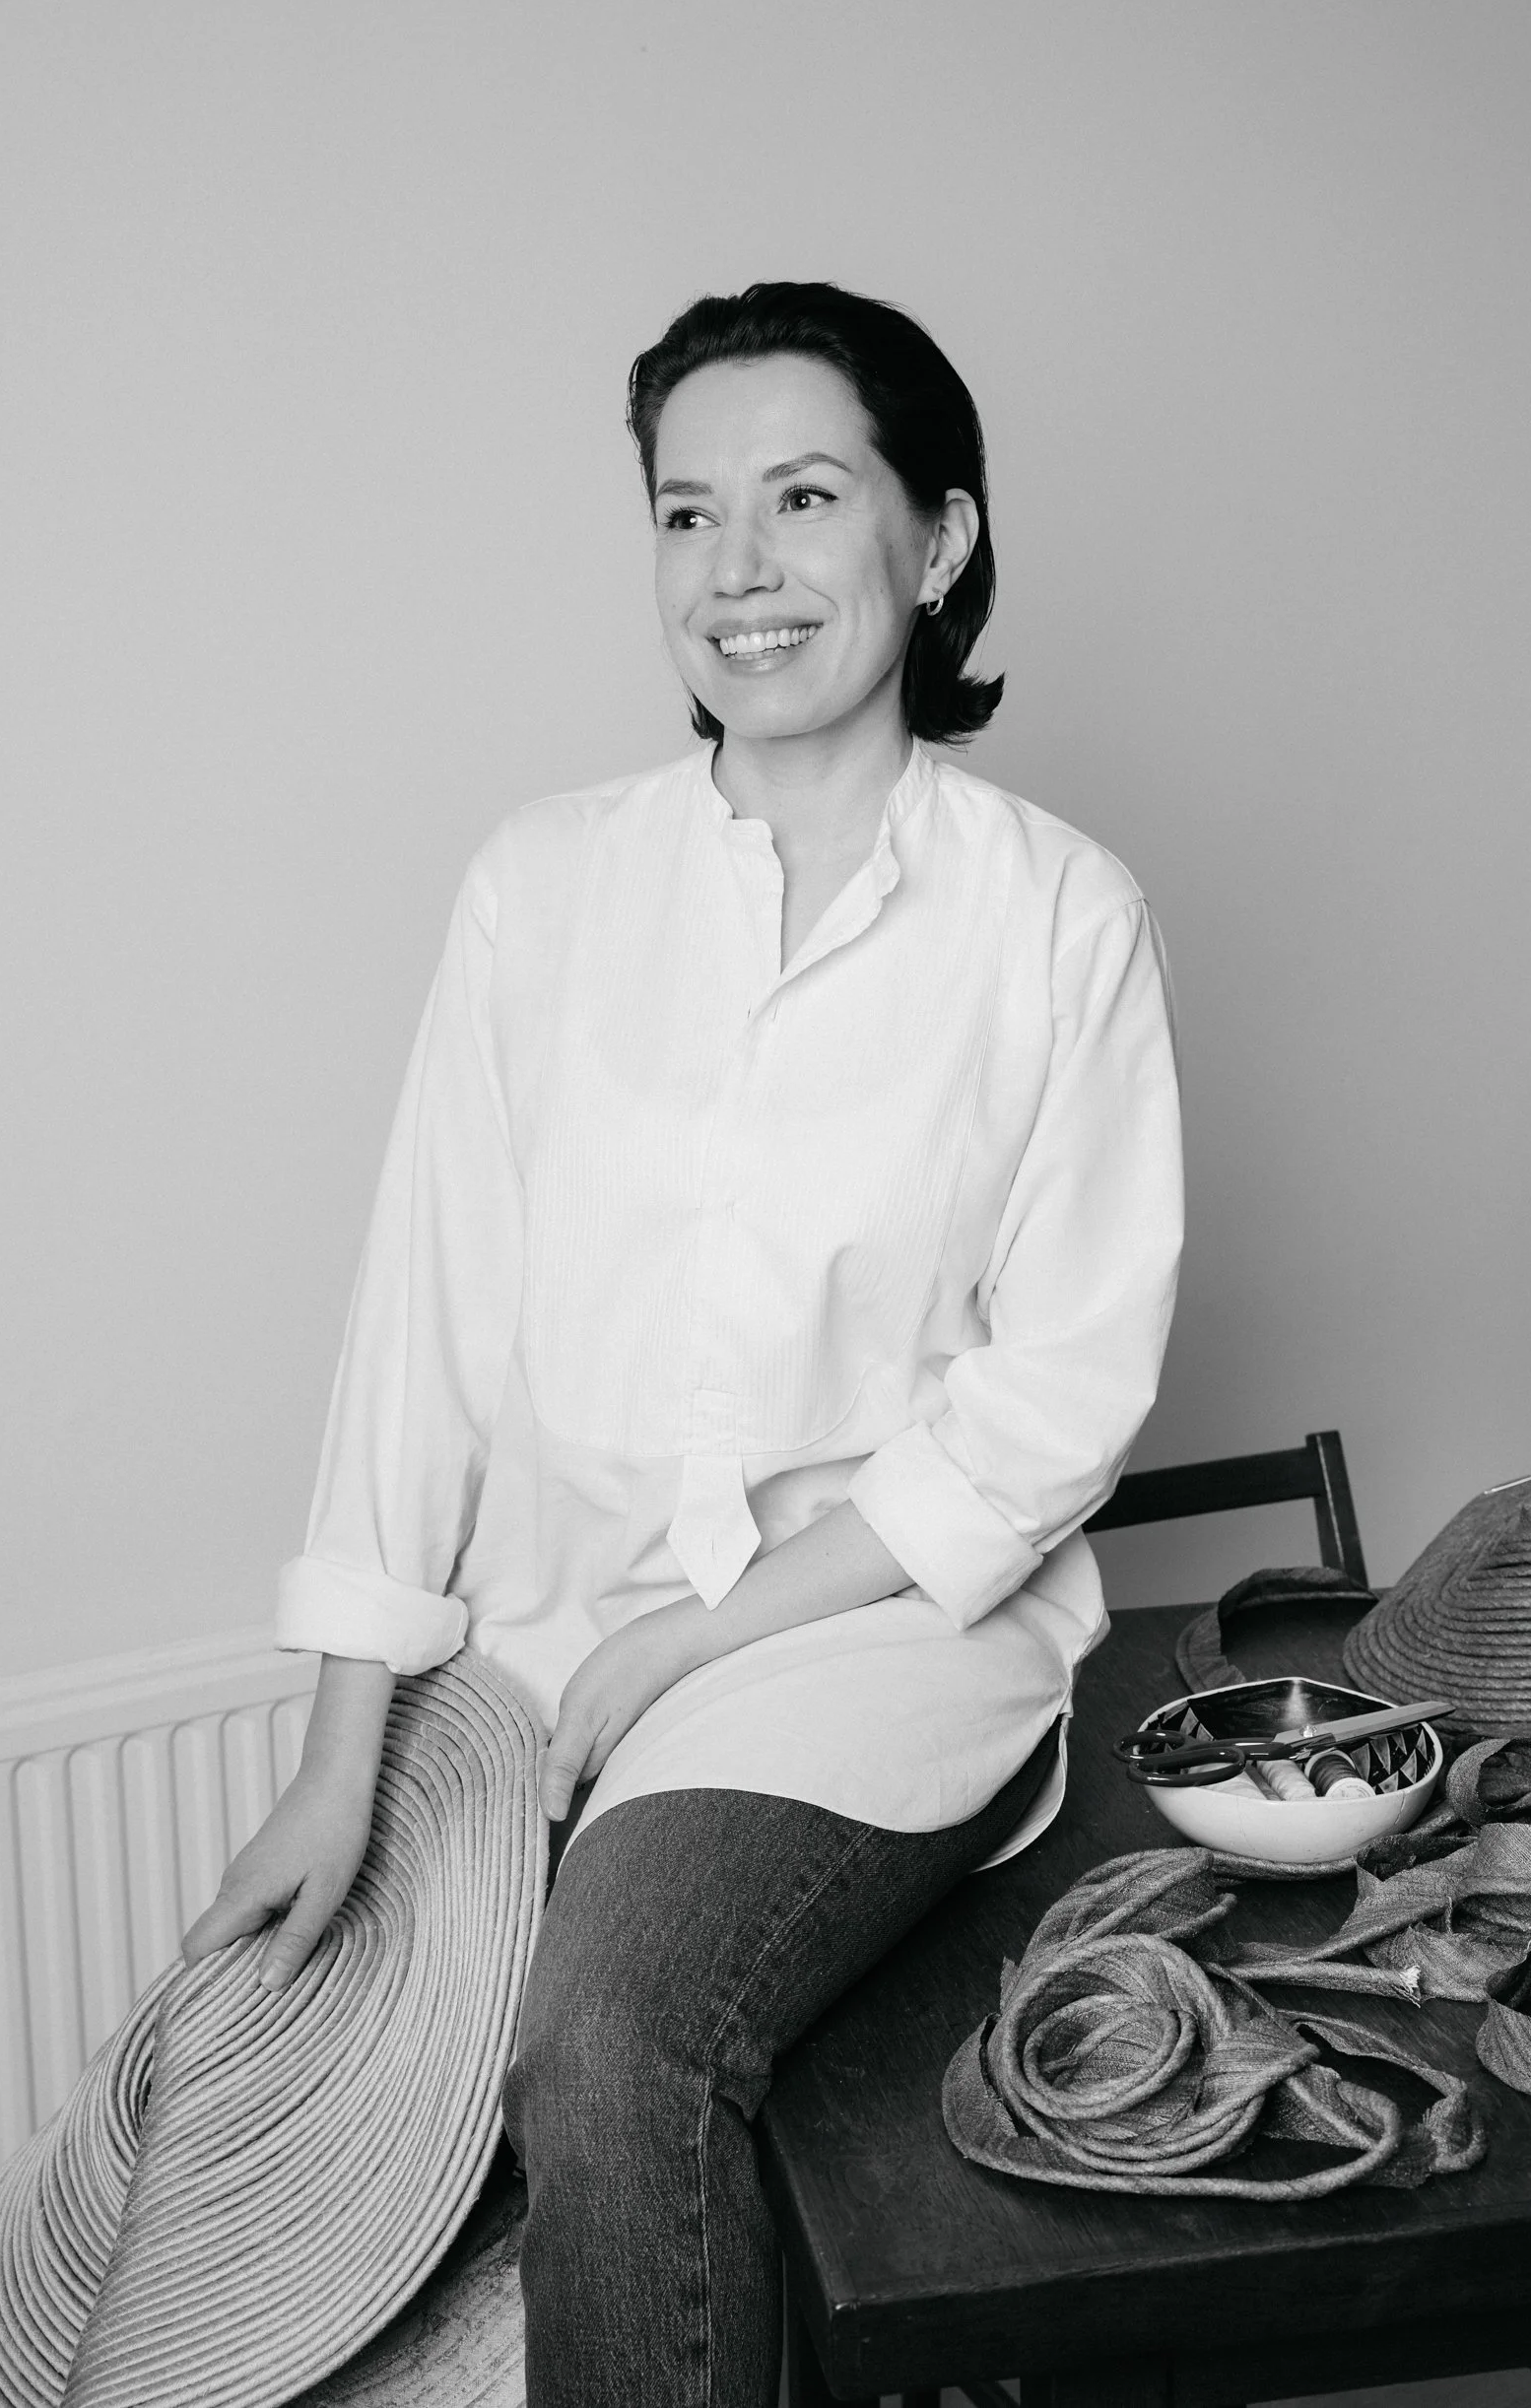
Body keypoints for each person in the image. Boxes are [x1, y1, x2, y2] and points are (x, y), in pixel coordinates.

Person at [184, 280, 1184, 2407]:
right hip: (548, 1648)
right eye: (682, 511)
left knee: (616, 2028)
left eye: (802, 498)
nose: (734, 568)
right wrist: (341, 1754)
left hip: (876, 1641)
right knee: (328, 2165)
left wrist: (683, 1648)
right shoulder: (539, 892)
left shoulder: (1054, 918)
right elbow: (421, 1321)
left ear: (934, 541)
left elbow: (1049, 1403)